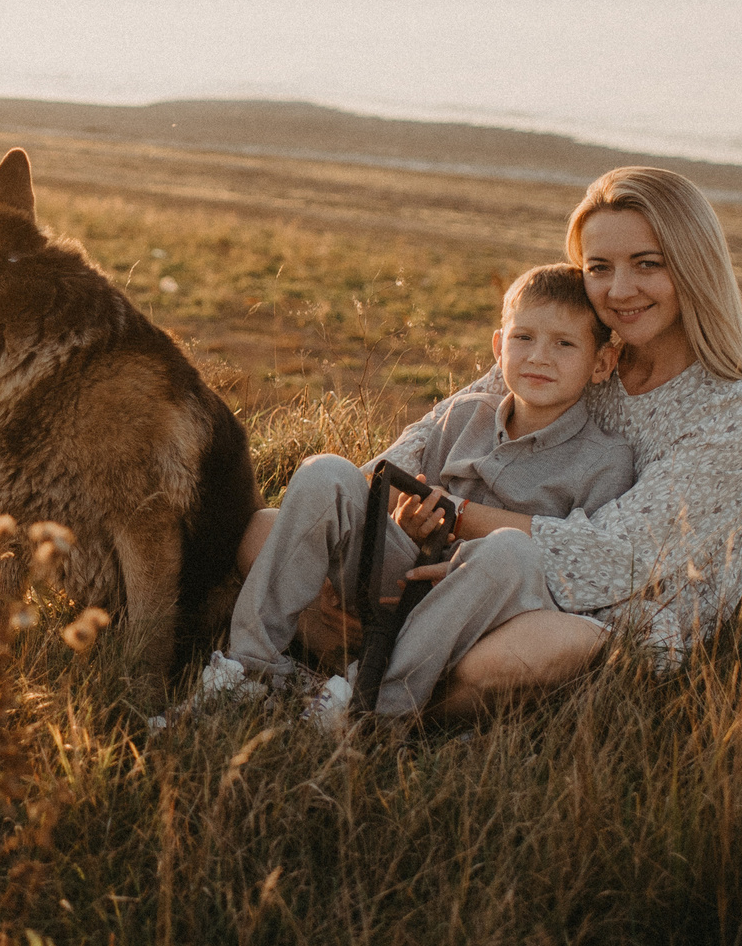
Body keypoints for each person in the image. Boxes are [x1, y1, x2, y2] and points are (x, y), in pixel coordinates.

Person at [235, 165, 742, 720]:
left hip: (598, 606)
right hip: (461, 562)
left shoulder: (731, 410)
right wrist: (370, 518)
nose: (620, 290)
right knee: (267, 532)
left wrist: (453, 517)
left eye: (647, 264)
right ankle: (330, 666)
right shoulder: (579, 348)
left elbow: (614, 560)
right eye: (599, 267)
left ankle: (375, 707)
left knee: (505, 660)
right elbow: (431, 431)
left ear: (694, 266)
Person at [215, 264, 635, 721]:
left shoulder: (606, 460)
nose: (538, 357)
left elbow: (577, 567)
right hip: (410, 576)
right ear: (499, 347)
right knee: (326, 473)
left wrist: (467, 555)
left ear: (601, 364)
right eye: (523, 338)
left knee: (511, 550)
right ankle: (243, 673)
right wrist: (407, 525)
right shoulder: (463, 416)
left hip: (483, 605)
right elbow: (406, 504)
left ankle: (370, 707)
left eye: (564, 344)